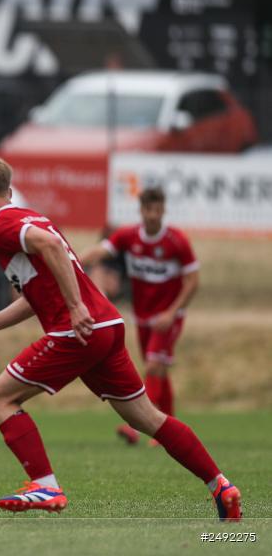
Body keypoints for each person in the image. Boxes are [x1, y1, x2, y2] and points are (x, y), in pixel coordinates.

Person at [0, 157, 240, 521]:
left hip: (77, 330)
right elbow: (36, 294)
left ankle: (45, 486)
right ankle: (221, 486)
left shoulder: (1, 226)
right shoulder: (33, 217)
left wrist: (75, 306)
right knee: (147, 418)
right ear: (9, 189)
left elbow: (50, 246)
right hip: (106, 326)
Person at [80, 187, 199, 445]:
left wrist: (172, 312)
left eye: (157, 210)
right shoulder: (129, 236)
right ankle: (171, 429)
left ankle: (136, 427)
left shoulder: (177, 240)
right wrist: (71, 263)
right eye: (148, 210)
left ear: (163, 210)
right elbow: (100, 252)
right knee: (159, 371)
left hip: (167, 317)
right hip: (143, 316)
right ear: (141, 210)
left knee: (154, 366)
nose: (153, 215)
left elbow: (192, 280)